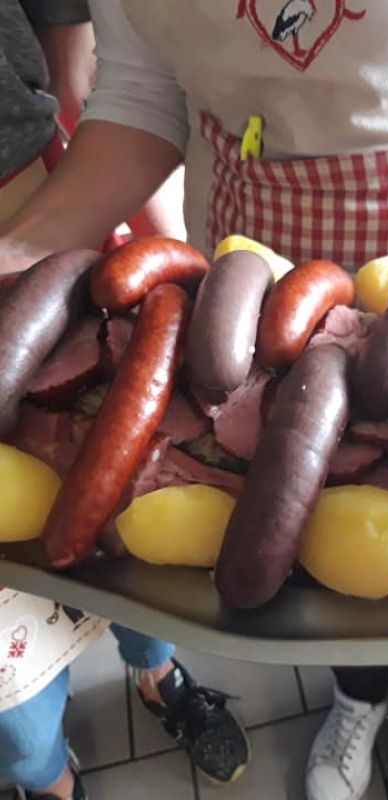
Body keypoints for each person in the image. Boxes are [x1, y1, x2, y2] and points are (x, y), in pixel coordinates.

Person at [0, 2, 388, 799]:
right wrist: (13, 257)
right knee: (321, 547)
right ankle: (352, 697)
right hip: (254, 309)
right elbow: (140, 96)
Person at [0, 4, 248, 799]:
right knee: (17, 691)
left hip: (40, 204)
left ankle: (156, 673)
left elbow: (86, 63)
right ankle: (46, 780)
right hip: (49, 218)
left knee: (135, 505)